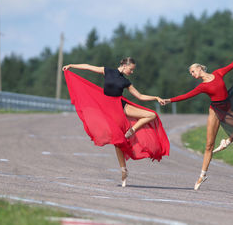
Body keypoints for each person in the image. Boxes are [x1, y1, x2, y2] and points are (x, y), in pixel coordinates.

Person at [63, 57, 170, 187]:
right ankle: (123, 170)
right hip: (108, 109)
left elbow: (140, 96)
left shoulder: (126, 81)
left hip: (121, 106)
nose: (132, 72)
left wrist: (156, 97)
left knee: (151, 115)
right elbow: (88, 66)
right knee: (117, 141)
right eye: (131, 69)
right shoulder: (107, 71)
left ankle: (132, 130)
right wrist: (71, 65)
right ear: (125, 65)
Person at [162, 57, 233, 190]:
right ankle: (202, 175)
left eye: (193, 71)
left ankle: (227, 142)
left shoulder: (218, 73)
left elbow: (231, 66)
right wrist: (169, 100)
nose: (193, 75)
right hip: (215, 111)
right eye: (191, 74)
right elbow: (186, 96)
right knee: (209, 145)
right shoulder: (202, 86)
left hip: (226, 110)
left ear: (199, 68)